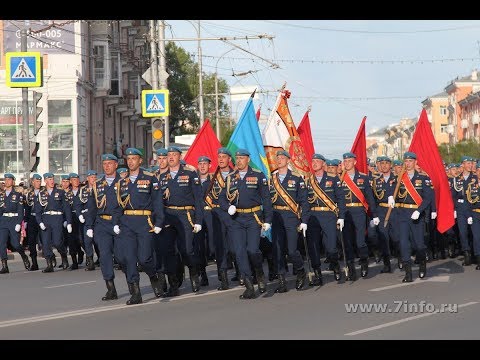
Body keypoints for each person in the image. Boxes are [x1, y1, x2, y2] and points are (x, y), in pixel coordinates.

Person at [219, 149, 273, 299]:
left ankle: (259, 272)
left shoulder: (257, 175)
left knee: (252, 250)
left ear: (248, 159)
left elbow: (266, 199)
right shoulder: (230, 177)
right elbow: (222, 198)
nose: (239, 161)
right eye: (237, 158)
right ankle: (249, 286)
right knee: (239, 251)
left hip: (253, 217)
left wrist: (268, 220)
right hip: (237, 219)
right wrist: (227, 207)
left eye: (242, 158)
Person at [116, 148, 165, 305]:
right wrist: (116, 223)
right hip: (127, 223)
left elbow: (158, 203)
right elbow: (117, 206)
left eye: (133, 158)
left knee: (144, 259)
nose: (130, 161)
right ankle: (136, 292)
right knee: (129, 258)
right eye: (128, 159)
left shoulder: (150, 179)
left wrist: (159, 222)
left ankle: (153, 276)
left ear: (140, 161)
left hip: (145, 222)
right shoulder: (122, 182)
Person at [159, 146, 204, 296]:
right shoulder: (160, 176)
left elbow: (198, 198)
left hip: (186, 215)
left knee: (187, 250)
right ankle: (174, 285)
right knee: (167, 250)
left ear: (180, 157)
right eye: (169, 155)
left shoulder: (190, 173)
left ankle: (193, 272)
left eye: (174, 155)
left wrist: (198, 220)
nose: (171, 157)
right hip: (168, 216)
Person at [270, 150, 310, 293]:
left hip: (291, 217)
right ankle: (282, 281)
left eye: (282, 158)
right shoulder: (271, 179)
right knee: (278, 250)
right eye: (278, 158)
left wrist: (304, 220)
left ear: (288, 160)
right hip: (276, 217)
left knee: (292, 250)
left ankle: (300, 270)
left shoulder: (297, 178)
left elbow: (304, 202)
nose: (279, 160)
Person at [86, 155, 123, 301]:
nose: (107, 166)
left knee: (122, 257)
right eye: (104, 164)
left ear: (116, 165)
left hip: (119, 224)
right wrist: (89, 225)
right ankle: (111, 289)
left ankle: (133, 283)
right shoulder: (97, 185)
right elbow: (92, 207)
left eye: (110, 163)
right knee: (105, 256)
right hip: (102, 224)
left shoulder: (123, 182)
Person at [393, 152, 434, 282]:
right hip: (402, 214)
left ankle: (422, 263)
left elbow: (428, 198)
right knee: (404, 243)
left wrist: (419, 210)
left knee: (419, 244)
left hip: (416, 214)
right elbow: (393, 193)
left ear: (415, 162)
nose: (408, 163)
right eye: (406, 161)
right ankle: (408, 272)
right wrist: (391, 198)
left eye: (410, 161)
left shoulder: (423, 178)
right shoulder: (399, 178)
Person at [305, 154, 346, 284]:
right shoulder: (307, 180)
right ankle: (317, 273)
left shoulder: (333, 179)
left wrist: (341, 217)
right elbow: (305, 202)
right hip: (313, 216)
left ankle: (335, 266)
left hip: (329, 215)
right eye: (313, 161)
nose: (315, 163)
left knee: (331, 247)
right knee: (313, 247)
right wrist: (304, 220)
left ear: (323, 164)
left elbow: (341, 199)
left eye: (317, 161)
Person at [340, 152, 378, 280]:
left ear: (355, 162)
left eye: (349, 161)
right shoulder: (339, 178)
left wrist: (374, 214)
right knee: (347, 241)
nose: (347, 163)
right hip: (344, 212)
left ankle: (363, 261)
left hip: (359, 211)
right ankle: (351, 268)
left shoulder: (364, 178)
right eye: (345, 161)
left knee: (360, 241)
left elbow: (370, 198)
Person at [204, 147, 236, 291]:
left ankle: (241, 271)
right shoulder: (211, 177)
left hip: (233, 214)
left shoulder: (236, 175)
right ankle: (223, 278)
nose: (221, 159)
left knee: (235, 245)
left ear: (230, 159)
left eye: (224, 156)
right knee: (218, 247)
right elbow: (203, 195)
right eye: (219, 156)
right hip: (216, 214)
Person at [34, 172, 72, 273]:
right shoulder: (41, 194)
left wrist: (68, 222)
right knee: (46, 243)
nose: (51, 181)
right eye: (49, 179)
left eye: (52, 179)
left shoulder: (60, 192)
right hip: (46, 218)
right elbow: (37, 210)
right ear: (45, 181)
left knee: (57, 242)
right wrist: (40, 222)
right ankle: (49, 264)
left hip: (57, 218)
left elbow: (67, 208)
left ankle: (63, 255)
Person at [370, 156, 396, 273]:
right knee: (383, 238)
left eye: (387, 163)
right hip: (381, 211)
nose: (384, 165)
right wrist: (375, 214)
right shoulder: (376, 181)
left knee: (396, 238)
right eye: (382, 163)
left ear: (391, 165)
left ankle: (400, 256)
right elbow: (373, 199)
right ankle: (387, 264)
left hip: (395, 212)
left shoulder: (397, 179)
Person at [0, 173, 30, 273]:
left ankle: (24, 256)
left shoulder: (18, 195)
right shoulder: (1, 195)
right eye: (6, 180)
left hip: (14, 221)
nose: (7, 181)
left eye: (9, 180)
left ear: (13, 182)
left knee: (16, 244)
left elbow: (21, 211)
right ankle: (4, 265)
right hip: (3, 221)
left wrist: (18, 223)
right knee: (2, 243)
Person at [452, 156, 476, 266]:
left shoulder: (475, 178)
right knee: (462, 232)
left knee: (474, 232)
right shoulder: (457, 179)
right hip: (461, 209)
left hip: (473, 207)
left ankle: (475, 253)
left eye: (471, 163)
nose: (470, 165)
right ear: (462, 165)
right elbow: (453, 196)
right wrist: (454, 208)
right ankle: (466, 253)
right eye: (468, 163)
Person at [75, 170, 98, 271]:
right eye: (91, 177)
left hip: (98, 218)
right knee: (87, 241)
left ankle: (103, 258)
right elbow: (78, 204)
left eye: (94, 177)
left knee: (98, 240)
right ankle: (90, 261)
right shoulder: (82, 190)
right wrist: (79, 214)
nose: (93, 179)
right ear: (88, 179)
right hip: (87, 218)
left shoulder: (100, 188)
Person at [24, 173, 44, 271]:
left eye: (39, 181)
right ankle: (34, 263)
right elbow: (27, 208)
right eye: (36, 181)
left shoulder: (44, 192)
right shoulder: (29, 194)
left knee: (44, 239)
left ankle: (50, 256)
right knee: (31, 241)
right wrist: (26, 221)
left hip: (43, 219)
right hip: (32, 219)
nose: (38, 183)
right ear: (32, 182)